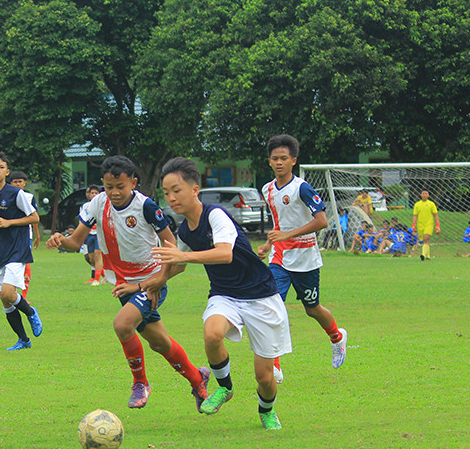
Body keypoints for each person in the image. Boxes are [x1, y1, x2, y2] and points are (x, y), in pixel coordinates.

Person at [45, 155, 209, 411]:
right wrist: (60, 240)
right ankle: (198, 379)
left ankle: (140, 383)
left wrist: (155, 282)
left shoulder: (145, 207)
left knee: (122, 325)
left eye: (120, 186)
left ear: (133, 183)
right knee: (160, 343)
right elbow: (75, 242)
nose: (115, 192)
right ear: (103, 184)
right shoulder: (97, 204)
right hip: (124, 285)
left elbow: (172, 246)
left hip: (151, 281)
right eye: (109, 187)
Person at [153, 157, 291, 429]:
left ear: (195, 189)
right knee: (212, 333)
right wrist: (153, 282)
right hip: (224, 294)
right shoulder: (185, 231)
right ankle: (225, 388)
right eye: (166, 193)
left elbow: (224, 253)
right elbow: (178, 265)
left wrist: (182, 255)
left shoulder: (215, 215)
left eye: (176, 190)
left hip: (260, 295)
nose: (171, 198)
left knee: (264, 377)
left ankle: (266, 410)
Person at [257, 135, 347, 383]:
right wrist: (268, 244)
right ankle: (274, 365)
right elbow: (278, 224)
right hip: (279, 257)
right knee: (272, 307)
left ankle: (337, 337)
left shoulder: (302, 188)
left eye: (284, 158)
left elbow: (322, 221)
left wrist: (288, 234)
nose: (279, 163)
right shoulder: (267, 189)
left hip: (305, 257)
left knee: (312, 309)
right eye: (274, 158)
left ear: (293, 161)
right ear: (269, 161)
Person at [0, 152, 43, 351]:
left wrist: (9, 222)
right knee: (5, 300)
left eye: (1, 167)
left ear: (7, 171)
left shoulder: (16, 193)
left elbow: (35, 217)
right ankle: (24, 340)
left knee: (7, 292)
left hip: (17, 249)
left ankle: (30, 312)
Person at [9, 170, 41, 299]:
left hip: (24, 236)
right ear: (10, 183)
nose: (17, 184)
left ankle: (24, 296)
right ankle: (12, 294)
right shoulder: (6, 197)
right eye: (15, 182)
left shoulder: (29, 197)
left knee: (25, 263)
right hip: (8, 235)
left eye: (20, 182)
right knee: (11, 264)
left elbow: (34, 217)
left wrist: (37, 235)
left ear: (24, 183)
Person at [78, 184, 105, 285]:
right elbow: (82, 220)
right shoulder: (85, 206)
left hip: (99, 233)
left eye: (96, 193)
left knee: (97, 254)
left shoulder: (101, 205)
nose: (94, 195)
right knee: (90, 257)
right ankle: (103, 275)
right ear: (88, 195)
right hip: (89, 233)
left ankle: (96, 280)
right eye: (92, 193)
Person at [411, 190, 440, 260]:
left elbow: (436, 215)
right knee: (425, 241)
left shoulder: (431, 204)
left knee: (426, 239)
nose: (424, 195)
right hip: (420, 225)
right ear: (420, 195)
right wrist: (413, 225)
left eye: (426, 194)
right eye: (423, 194)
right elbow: (415, 215)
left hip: (429, 225)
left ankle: (423, 255)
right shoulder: (417, 204)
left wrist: (437, 225)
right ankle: (428, 256)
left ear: (428, 195)